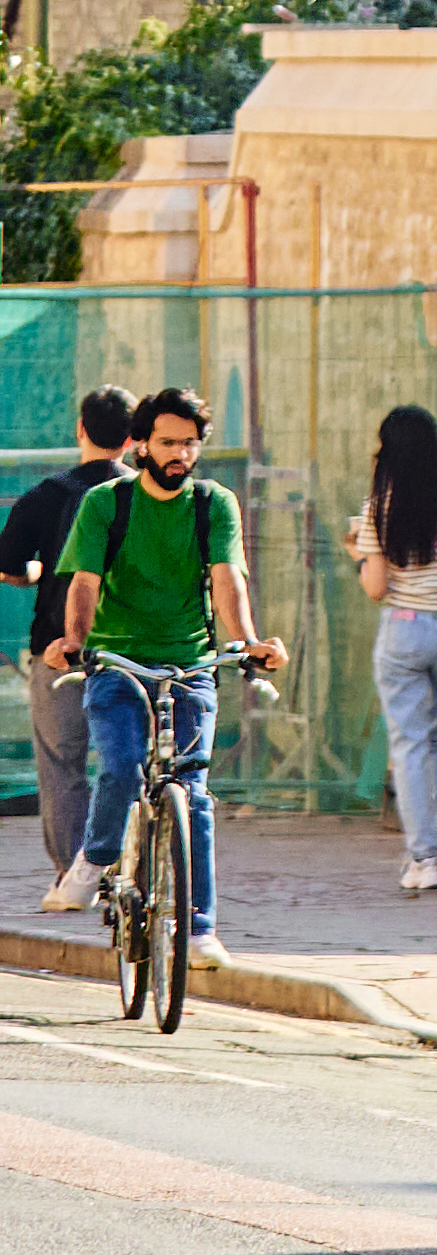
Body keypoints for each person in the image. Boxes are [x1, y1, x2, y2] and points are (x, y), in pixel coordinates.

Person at [43, 390, 266, 930]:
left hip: (189, 665)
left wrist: (250, 641)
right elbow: (85, 581)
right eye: (167, 442)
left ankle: (200, 930)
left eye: (189, 444)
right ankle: (94, 860)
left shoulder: (214, 504)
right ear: (140, 443)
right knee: (120, 768)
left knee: (193, 791)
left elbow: (226, 580)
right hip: (119, 664)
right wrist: (75, 638)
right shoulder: (106, 503)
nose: (179, 454)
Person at [357, 405, 437, 894]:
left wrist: (362, 557)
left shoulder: (379, 509)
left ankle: (424, 858)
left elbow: (375, 587)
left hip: (404, 632)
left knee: (409, 743)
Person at [4, 385, 120, 903]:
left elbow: (10, 566)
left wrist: (37, 573)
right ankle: (129, 863)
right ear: (136, 436)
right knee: (131, 760)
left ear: (80, 429)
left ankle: (75, 873)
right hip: (131, 647)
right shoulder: (147, 495)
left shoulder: (47, 496)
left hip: (59, 647)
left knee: (62, 763)